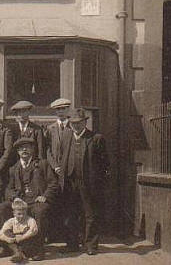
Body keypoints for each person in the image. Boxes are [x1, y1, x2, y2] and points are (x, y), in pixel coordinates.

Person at [60, 108, 109, 255]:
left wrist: (98, 182)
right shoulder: (66, 136)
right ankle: (72, 244)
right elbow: (63, 157)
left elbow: (105, 163)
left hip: (88, 183)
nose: (76, 126)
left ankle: (90, 245)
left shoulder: (95, 138)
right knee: (71, 213)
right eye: (73, 123)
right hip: (70, 182)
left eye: (79, 123)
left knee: (90, 214)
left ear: (85, 122)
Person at [0, 137, 58, 260]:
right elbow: (8, 189)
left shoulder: (42, 164)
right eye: (21, 148)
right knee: (1, 208)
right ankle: (9, 247)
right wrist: (14, 198)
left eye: (27, 147)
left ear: (32, 149)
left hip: (37, 201)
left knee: (40, 211)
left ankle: (38, 250)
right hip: (20, 201)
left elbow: (53, 183)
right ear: (17, 152)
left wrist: (45, 196)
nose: (24, 150)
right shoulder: (14, 168)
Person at [0, 198, 41, 263]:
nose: (21, 216)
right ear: (14, 213)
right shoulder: (11, 221)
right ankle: (18, 253)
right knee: (7, 232)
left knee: (28, 231)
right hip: (14, 242)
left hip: (26, 241)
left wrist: (22, 237)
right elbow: (1, 233)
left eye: (24, 214)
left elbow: (34, 230)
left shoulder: (30, 220)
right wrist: (8, 239)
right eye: (19, 214)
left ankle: (20, 254)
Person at [45, 98, 72, 179]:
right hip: (54, 169)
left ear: (68, 109)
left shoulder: (72, 127)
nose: (60, 111)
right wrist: (55, 166)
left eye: (63, 109)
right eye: (58, 109)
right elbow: (48, 149)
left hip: (69, 168)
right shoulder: (50, 128)